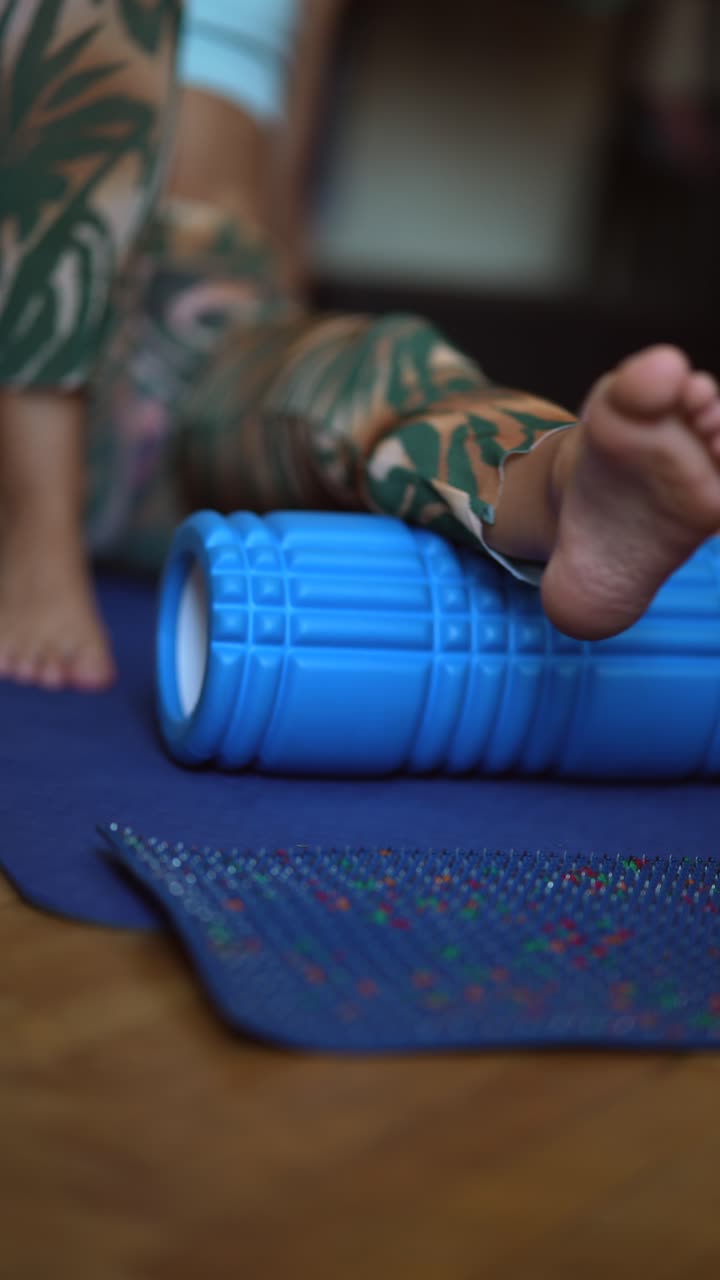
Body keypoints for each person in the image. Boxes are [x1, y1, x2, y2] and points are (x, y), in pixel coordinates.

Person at [1, 0, 720, 692]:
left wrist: (294, 352)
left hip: (216, 318)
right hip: (34, 331)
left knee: (372, 370)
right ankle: (34, 527)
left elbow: (290, 152)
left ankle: (560, 487)